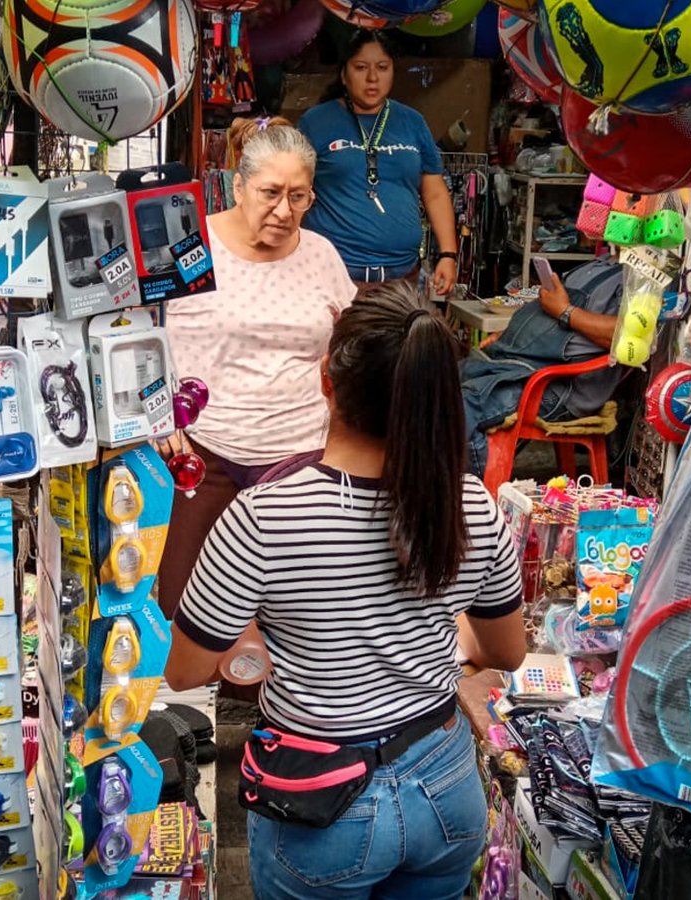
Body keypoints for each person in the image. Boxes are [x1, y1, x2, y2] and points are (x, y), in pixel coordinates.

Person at [165, 282, 527, 899]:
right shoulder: (470, 503)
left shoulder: (264, 516)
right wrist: (433, 629)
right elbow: (507, 652)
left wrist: (258, 626)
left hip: (322, 800)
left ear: (326, 379)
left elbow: (185, 671)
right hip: (445, 783)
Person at [158, 118, 358, 617]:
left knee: (293, 611)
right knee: (182, 602)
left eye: (298, 197)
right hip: (203, 452)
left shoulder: (321, 255)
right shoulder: (190, 247)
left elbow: (356, 346)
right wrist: (156, 414)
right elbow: (135, 336)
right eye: (270, 193)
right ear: (238, 186)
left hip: (301, 461)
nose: (284, 211)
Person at [298, 30, 459, 292]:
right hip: (333, 276)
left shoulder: (413, 122)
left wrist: (448, 254)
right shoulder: (315, 122)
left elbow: (435, 193)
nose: (373, 78)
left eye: (382, 67)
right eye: (361, 67)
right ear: (344, 74)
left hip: (403, 277)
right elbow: (294, 191)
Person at [461, 258, 625, 476]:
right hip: (519, 365)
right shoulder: (600, 264)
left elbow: (626, 335)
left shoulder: (639, 280)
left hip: (556, 386)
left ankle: (466, 491)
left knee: (463, 406)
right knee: (436, 381)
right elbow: (547, 314)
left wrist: (565, 311)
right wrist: (510, 335)